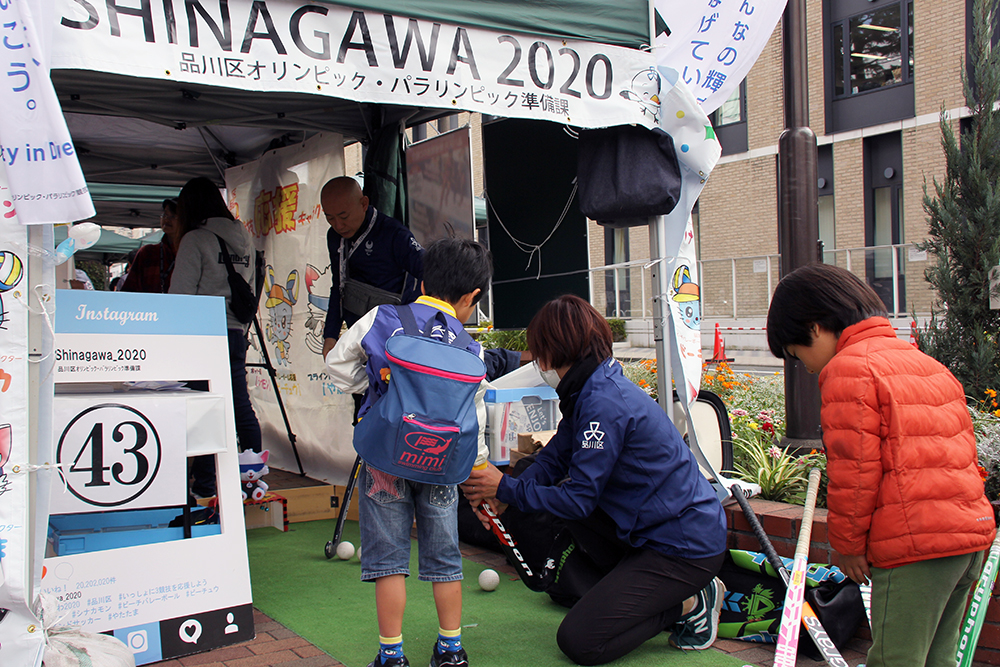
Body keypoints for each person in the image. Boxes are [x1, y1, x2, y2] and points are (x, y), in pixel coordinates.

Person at [462, 294, 728, 666]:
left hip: (683, 547)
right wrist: (505, 496)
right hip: (653, 531)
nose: (538, 363)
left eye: (539, 352)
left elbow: (579, 499)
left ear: (557, 350)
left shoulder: (603, 404)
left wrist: (504, 488)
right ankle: (637, 590)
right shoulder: (589, 387)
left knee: (579, 641)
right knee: (551, 500)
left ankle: (688, 602)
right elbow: (555, 458)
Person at [765, 263, 996, 667]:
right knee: (938, 658)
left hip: (914, 549)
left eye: (796, 354)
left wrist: (849, 547)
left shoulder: (848, 370)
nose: (805, 367)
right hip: (968, 538)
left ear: (815, 327)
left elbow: (854, 474)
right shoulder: (923, 362)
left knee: (895, 659)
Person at [325, 238, 493, 667]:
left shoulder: (383, 318)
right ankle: (452, 650)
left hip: (384, 457)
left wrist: (381, 394)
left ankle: (392, 656)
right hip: (440, 466)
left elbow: (337, 365)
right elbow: (475, 417)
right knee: (444, 559)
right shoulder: (468, 347)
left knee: (388, 561)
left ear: (422, 280)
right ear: (471, 296)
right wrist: (477, 465)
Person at [169, 177, 262, 496]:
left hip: (204, 337)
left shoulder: (195, 240)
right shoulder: (245, 238)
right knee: (239, 407)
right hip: (236, 332)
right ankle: (253, 482)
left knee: (205, 412)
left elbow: (179, 298)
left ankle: (206, 486)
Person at [321, 176, 423, 360]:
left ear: (363, 203)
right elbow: (338, 286)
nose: (338, 225)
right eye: (330, 218)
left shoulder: (394, 234)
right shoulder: (335, 237)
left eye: (344, 216)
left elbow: (429, 273)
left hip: (395, 337)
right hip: (359, 335)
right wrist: (330, 334)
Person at [121, 198, 184, 293]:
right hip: (149, 306)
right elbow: (129, 291)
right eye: (165, 215)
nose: (167, 219)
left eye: (174, 216)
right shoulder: (148, 253)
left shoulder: (191, 253)